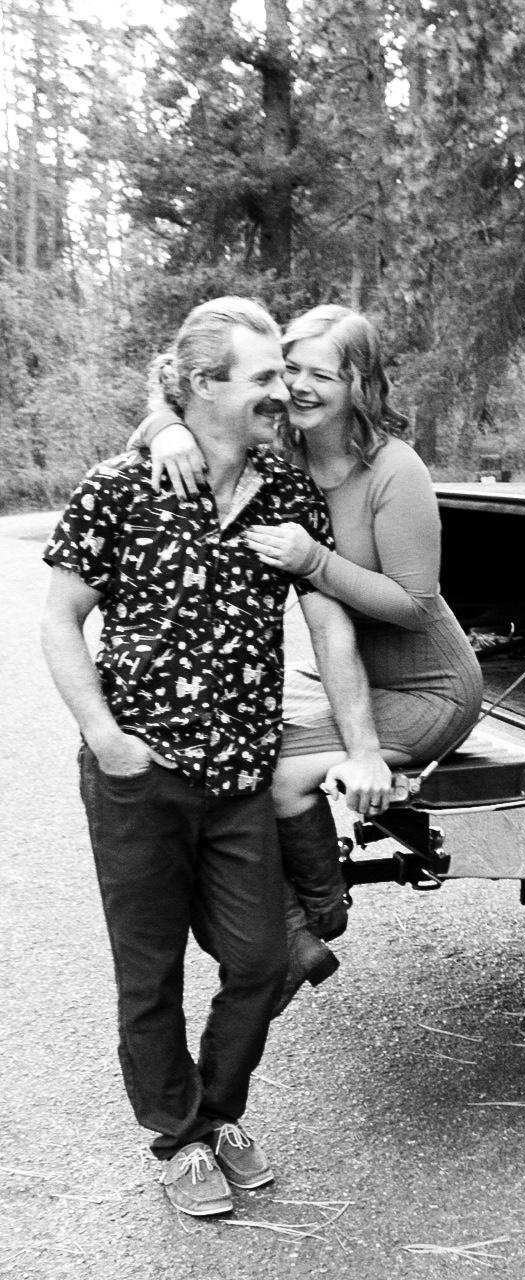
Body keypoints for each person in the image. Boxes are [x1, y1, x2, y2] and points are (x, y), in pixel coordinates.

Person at [41, 297, 393, 1218]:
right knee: (149, 972)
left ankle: (216, 1110)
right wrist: (107, 738)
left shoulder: (285, 493)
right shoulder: (122, 486)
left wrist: (363, 746)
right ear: (202, 385)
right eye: (265, 376)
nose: (284, 391)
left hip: (241, 777)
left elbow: (331, 627)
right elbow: (60, 620)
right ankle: (180, 1138)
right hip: (140, 780)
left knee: (261, 959)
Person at [135, 304, 484, 1002]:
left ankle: (315, 918)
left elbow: (415, 604)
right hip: (352, 677)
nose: (297, 386)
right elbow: (196, 401)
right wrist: (164, 426)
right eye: (290, 368)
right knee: (223, 745)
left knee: (273, 774)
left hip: (431, 688)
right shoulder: (283, 451)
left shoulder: (394, 469)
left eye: (321, 375)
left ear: (359, 384)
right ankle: (294, 931)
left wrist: (315, 560)